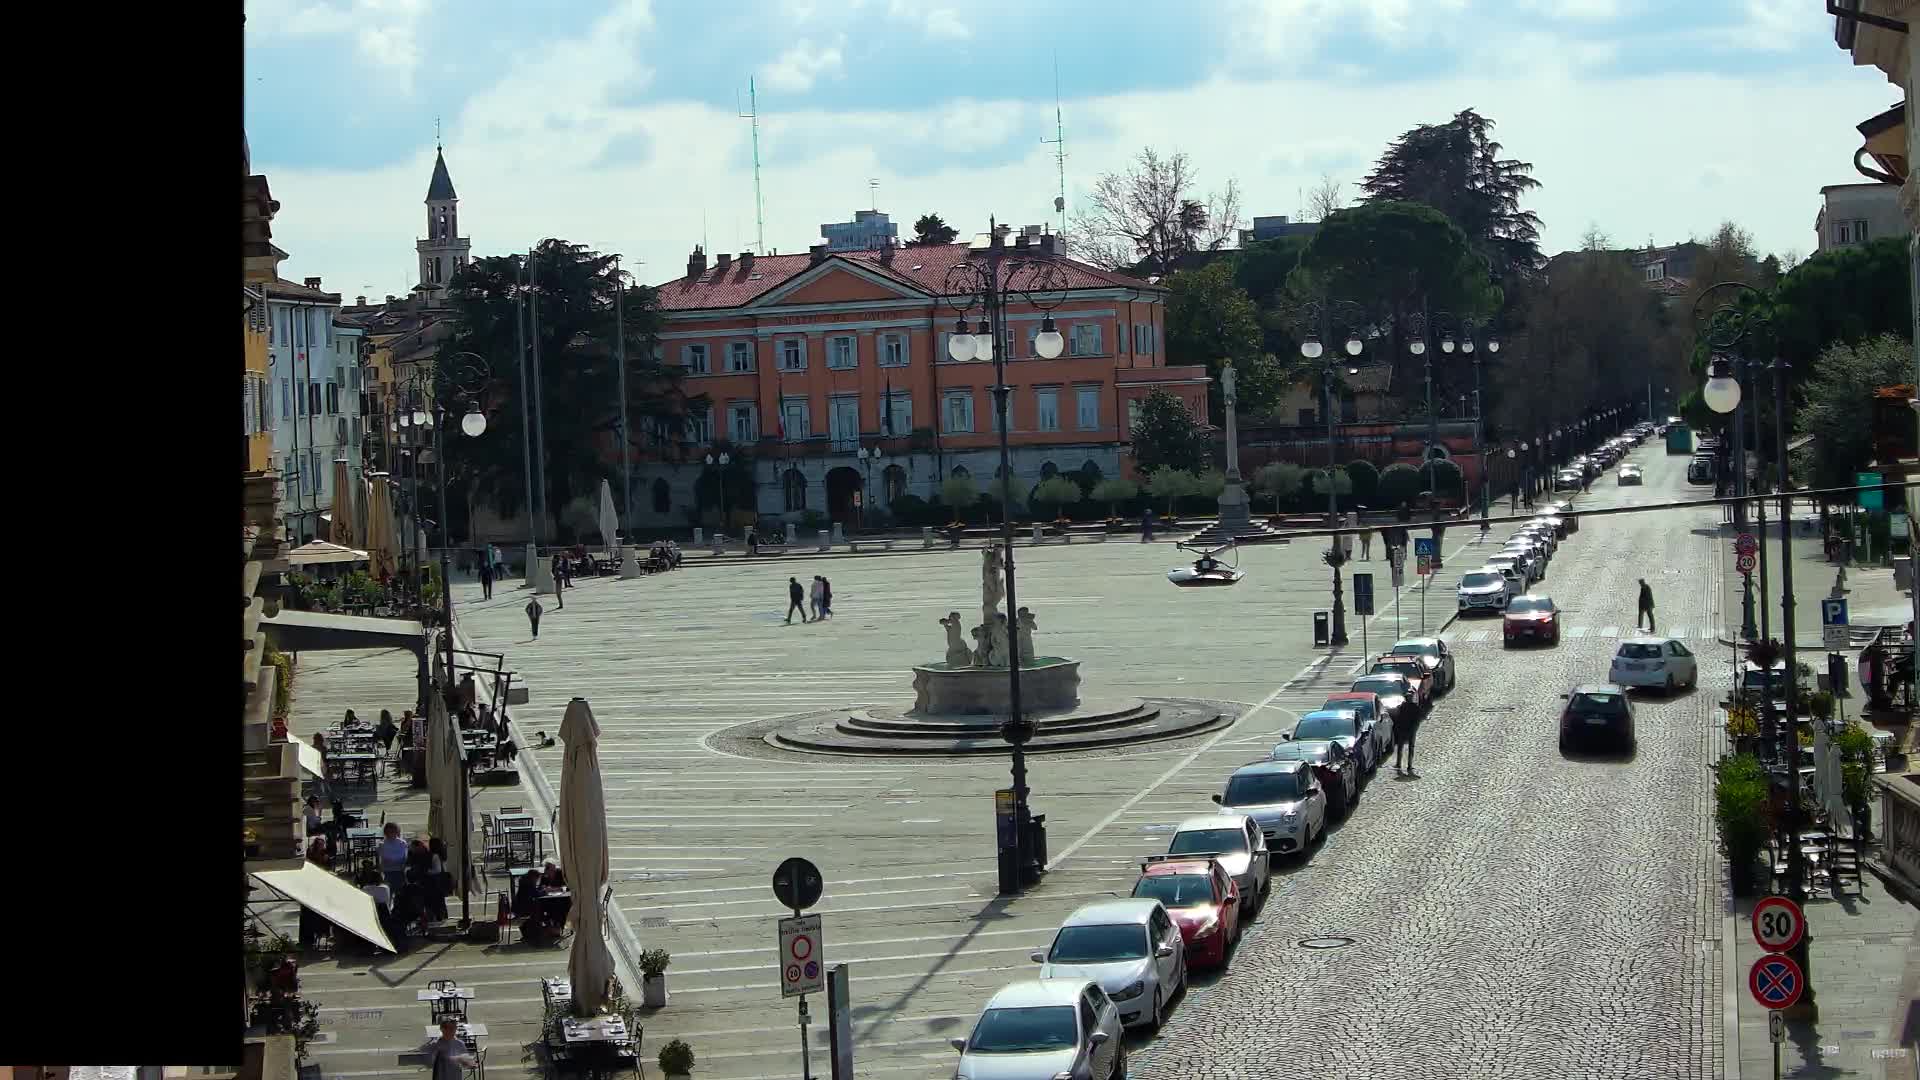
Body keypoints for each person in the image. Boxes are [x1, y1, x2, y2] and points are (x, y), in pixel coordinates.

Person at [378, 822, 410, 894]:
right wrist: (381, 871)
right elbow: (381, 859)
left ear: (396, 832)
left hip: (399, 871)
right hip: (387, 872)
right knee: (388, 893)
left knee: (400, 894)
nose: (390, 834)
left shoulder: (402, 843)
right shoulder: (382, 844)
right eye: (388, 832)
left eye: (392, 831)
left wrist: (403, 867)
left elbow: (405, 858)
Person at [1395, 705, 1420, 773]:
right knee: (1411, 748)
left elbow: (1398, 718)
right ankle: (1409, 765)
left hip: (1403, 730)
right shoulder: (1415, 707)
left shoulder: (1402, 707)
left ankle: (1399, 764)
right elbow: (1418, 719)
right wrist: (1415, 728)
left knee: (1400, 747)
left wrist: (1398, 728)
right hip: (1411, 730)